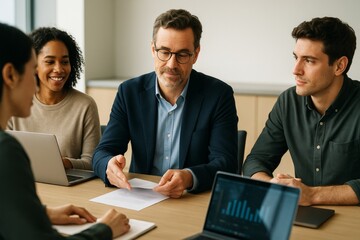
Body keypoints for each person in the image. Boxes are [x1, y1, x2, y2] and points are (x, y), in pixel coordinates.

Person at [0, 22, 130, 239]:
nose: (36, 85)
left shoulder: (83, 104)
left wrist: (42, 214)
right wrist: (104, 229)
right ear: (11, 75)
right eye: (34, 71)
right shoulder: (5, 150)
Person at [93, 9, 238, 198]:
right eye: (165, 52)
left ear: (196, 54)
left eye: (182, 54)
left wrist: (189, 177)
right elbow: (102, 152)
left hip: (192, 199)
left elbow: (226, 163)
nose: (171, 64)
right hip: (140, 197)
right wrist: (108, 165)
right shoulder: (129, 92)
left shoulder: (218, 95)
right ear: (153, 50)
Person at [243, 16, 359, 206]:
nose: (295, 70)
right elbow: (256, 160)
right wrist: (272, 185)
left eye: (309, 61)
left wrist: (312, 195)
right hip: (304, 216)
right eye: (296, 58)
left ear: (339, 66)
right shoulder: (288, 102)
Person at [7, 27, 100, 170]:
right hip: (25, 181)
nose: (58, 69)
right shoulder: (18, 104)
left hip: (71, 189)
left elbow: (93, 162)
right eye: (50, 62)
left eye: (64, 62)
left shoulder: (85, 105)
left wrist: (64, 164)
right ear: (34, 65)